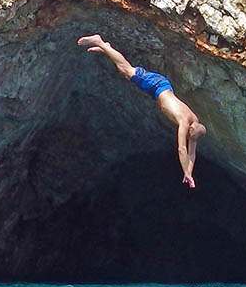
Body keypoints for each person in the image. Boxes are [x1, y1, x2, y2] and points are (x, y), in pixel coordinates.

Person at [77, 34, 206, 189]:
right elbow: (182, 149)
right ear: (191, 128)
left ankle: (107, 48)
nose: (187, 137)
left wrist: (189, 174)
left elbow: (192, 154)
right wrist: (184, 170)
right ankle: (101, 42)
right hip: (157, 86)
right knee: (126, 69)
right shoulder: (184, 122)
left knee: (124, 72)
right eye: (188, 135)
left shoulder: (195, 126)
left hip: (160, 90)